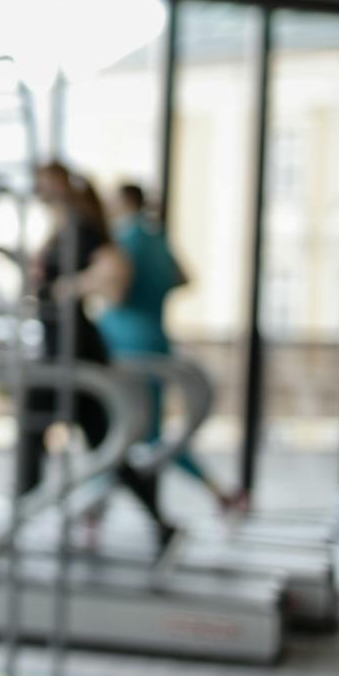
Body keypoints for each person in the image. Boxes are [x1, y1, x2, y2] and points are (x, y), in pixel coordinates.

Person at [21, 162, 179, 545]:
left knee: (34, 416)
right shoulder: (63, 228)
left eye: (45, 183)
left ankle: (22, 505)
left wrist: (70, 288)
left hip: (74, 350)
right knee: (105, 442)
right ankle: (162, 524)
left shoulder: (81, 228)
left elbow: (115, 271)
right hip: (63, 346)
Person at [98, 183, 245, 512]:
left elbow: (117, 291)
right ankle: (217, 492)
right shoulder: (156, 238)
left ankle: (94, 504)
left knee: (125, 428)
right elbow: (183, 278)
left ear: (125, 202)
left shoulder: (125, 240)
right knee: (147, 430)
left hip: (126, 340)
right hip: (154, 336)